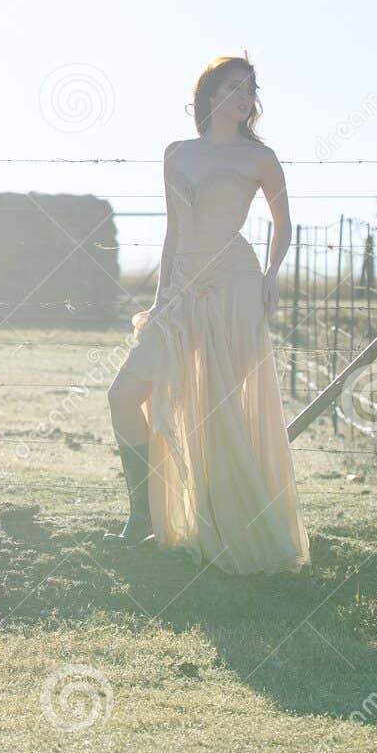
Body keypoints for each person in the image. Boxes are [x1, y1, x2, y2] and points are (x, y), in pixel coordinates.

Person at [103, 54, 310, 574]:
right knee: (125, 393)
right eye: (234, 87)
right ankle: (144, 515)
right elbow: (174, 230)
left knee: (218, 412)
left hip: (236, 287)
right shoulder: (177, 154)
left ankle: (231, 528)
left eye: (251, 90)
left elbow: (283, 225)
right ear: (210, 94)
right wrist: (159, 296)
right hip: (179, 290)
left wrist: (270, 275)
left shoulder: (260, 159)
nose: (245, 97)